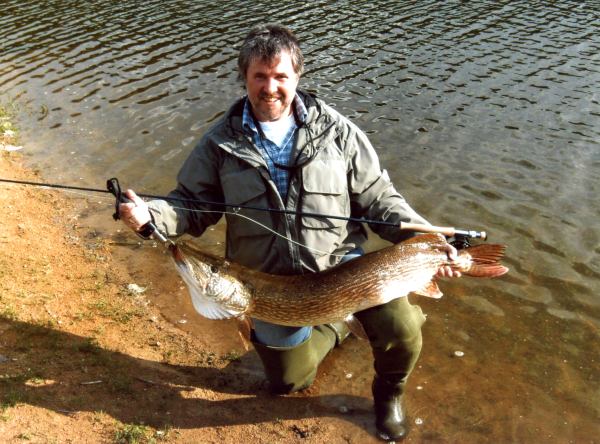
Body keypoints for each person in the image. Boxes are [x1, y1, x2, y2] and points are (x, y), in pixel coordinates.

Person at [120, 24, 459, 442]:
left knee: (402, 326)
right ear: (244, 76)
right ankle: (335, 326)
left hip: (342, 266)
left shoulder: (338, 131)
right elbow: (190, 205)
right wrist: (149, 214)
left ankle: (389, 394)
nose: (270, 88)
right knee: (288, 383)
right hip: (267, 283)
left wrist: (421, 240)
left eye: (280, 76)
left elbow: (378, 198)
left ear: (297, 76)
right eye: (260, 76)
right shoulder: (219, 143)